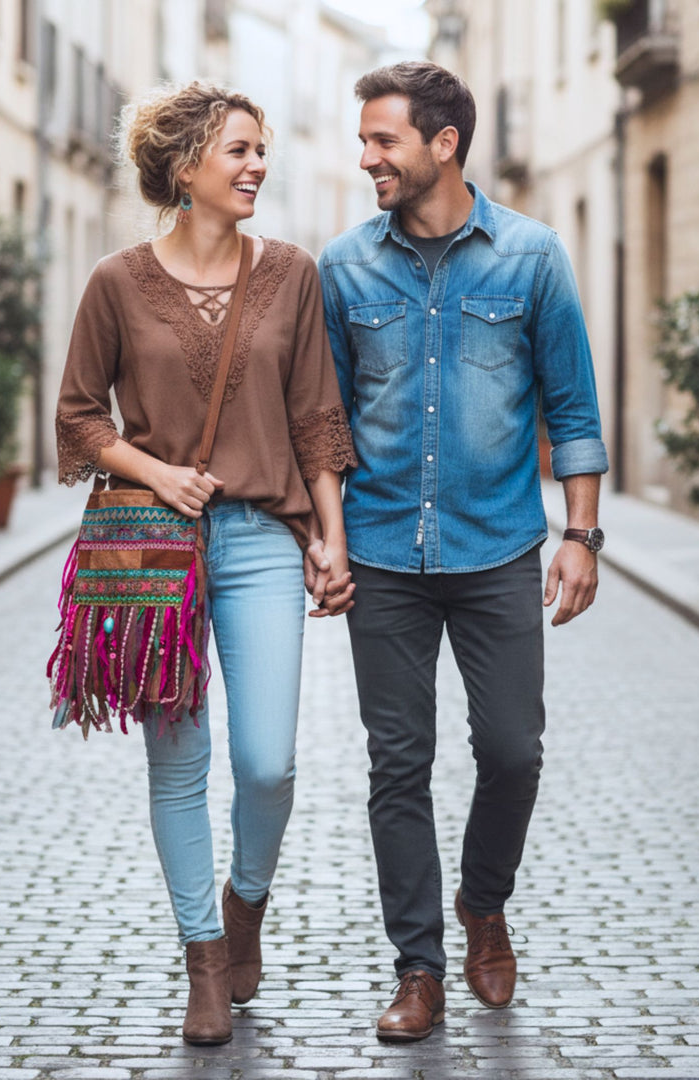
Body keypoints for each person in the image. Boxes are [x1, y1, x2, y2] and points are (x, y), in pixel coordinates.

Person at [55, 82, 357, 1047]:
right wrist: (156, 470)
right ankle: (205, 961)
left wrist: (331, 539)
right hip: (155, 546)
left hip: (265, 539)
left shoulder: (293, 274)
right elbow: (77, 416)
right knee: (178, 764)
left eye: (261, 149)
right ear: (184, 168)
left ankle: (246, 906)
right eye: (238, 151)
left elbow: (317, 416)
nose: (257, 165)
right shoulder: (115, 280)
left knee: (269, 763)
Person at [313, 61, 609, 1042]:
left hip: (495, 552)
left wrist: (581, 535)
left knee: (514, 752)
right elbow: (327, 423)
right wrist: (331, 539)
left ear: (444, 144)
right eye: (363, 141)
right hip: (388, 556)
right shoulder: (345, 267)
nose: (366, 159)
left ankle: (485, 904)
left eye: (383, 140)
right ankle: (419, 969)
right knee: (398, 765)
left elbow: (571, 406)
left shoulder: (532, 258)